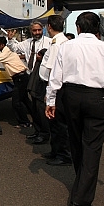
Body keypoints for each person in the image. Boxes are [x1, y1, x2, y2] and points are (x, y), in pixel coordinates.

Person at [45, 12, 104, 206]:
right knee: (92, 147)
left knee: (76, 142)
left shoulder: (66, 46)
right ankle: (81, 201)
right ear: (97, 28)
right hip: (96, 98)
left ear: (78, 28)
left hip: (70, 96)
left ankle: (80, 186)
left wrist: (50, 100)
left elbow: (55, 77)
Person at [38, 15, 72, 165]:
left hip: (55, 87)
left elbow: (53, 70)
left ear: (49, 27)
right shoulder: (60, 42)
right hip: (57, 87)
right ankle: (56, 150)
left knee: (58, 123)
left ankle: (63, 155)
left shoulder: (57, 44)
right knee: (54, 122)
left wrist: (49, 93)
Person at [7, 22, 52, 130]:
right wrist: (10, 39)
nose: (37, 33)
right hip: (31, 76)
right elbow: (14, 48)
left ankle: (45, 131)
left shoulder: (49, 42)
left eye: (39, 30)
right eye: (34, 30)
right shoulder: (27, 42)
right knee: (35, 106)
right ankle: (38, 130)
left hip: (43, 77)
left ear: (43, 29)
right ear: (31, 31)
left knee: (42, 106)